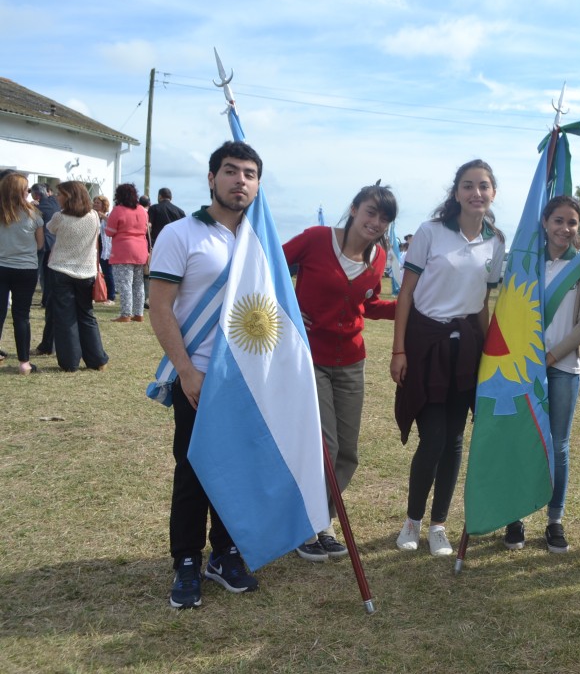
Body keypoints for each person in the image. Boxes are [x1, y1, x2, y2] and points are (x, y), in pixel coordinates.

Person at [149, 141, 265, 608]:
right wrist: (185, 370)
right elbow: (160, 308)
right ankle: (187, 562)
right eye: (231, 171)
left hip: (247, 379)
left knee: (236, 470)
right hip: (198, 376)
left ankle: (225, 553)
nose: (241, 180)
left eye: (250, 174)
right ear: (212, 178)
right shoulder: (180, 234)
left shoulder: (260, 240)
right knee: (195, 470)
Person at [390, 160, 506, 556]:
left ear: (493, 194)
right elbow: (405, 293)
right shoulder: (430, 232)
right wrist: (399, 349)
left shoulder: (495, 241)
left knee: (455, 440)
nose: (477, 193)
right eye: (468, 185)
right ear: (456, 192)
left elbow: (482, 304)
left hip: (467, 347)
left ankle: (439, 524)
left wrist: (489, 355)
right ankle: (412, 521)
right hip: (426, 343)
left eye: (484, 186)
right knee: (434, 436)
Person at [284, 183, 398, 562]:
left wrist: (411, 306)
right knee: (325, 446)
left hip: (351, 361)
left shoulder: (378, 257)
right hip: (309, 358)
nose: (376, 222)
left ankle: (322, 521)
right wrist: (283, 307)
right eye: (371, 212)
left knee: (347, 452)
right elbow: (267, 265)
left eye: (384, 218)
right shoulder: (317, 239)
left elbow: (368, 304)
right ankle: (308, 525)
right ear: (353, 209)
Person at [501, 195, 580, 554]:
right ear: (544, 222)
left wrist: (552, 355)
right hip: (522, 365)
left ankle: (554, 521)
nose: (564, 228)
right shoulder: (525, 263)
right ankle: (516, 516)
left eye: (571, 222)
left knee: (557, 445)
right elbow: (509, 310)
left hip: (563, 368)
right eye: (558, 221)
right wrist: (526, 356)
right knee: (523, 439)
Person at [45, 181, 109, 372]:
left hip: (61, 269)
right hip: (87, 271)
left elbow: (50, 228)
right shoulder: (94, 216)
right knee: (86, 315)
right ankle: (97, 359)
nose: (57, 197)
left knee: (65, 317)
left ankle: (70, 361)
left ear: (69, 196)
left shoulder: (60, 217)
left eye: (60, 194)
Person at [0, 171, 45, 374]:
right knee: (21, 316)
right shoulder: (34, 215)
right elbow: (40, 244)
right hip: (26, 268)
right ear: (21, 192)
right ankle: (24, 363)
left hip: (2, 267)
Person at [105, 183, 149, 323]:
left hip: (124, 250)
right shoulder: (142, 210)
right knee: (138, 284)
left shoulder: (118, 210)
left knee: (125, 284)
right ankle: (139, 313)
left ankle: (125, 314)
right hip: (141, 249)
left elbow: (109, 232)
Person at [30, 183, 59, 355]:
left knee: (42, 279)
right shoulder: (55, 203)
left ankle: (48, 344)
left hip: (44, 247)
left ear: (36, 195)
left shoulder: (38, 208)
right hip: (54, 247)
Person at [91, 195, 116, 304]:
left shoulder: (108, 215)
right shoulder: (91, 215)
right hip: (95, 245)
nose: (95, 204)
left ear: (103, 205)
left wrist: (103, 217)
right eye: (95, 202)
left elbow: (113, 223)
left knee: (107, 271)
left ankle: (111, 296)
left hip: (106, 247)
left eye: (98, 203)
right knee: (94, 270)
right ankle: (97, 293)